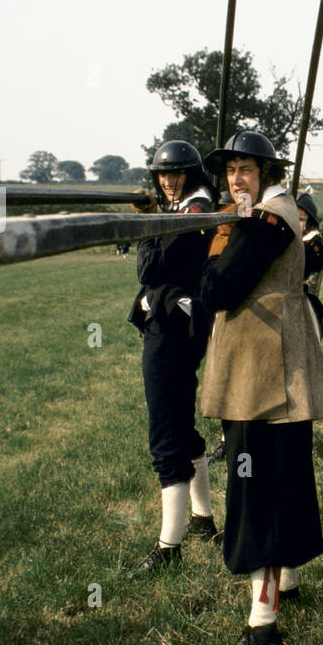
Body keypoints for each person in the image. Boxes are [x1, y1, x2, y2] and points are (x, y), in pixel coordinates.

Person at [199, 131, 323, 645]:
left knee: (258, 495)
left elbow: (219, 289)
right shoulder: (262, 214)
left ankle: (262, 629)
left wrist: (216, 241)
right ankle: (286, 587)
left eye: (246, 168)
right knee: (281, 482)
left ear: (268, 173)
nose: (236, 177)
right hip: (268, 370)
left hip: (266, 376)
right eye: (230, 168)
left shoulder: (269, 219)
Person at [127, 141, 219, 574]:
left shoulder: (193, 212)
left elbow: (147, 269)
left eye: (176, 174)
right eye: (162, 175)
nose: (167, 181)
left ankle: (170, 547)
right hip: (181, 322)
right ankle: (203, 518)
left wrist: (146, 225)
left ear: (193, 174)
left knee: (165, 435)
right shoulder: (187, 208)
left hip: (170, 328)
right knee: (181, 423)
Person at [296, 193, 323, 339]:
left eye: (301, 220)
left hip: (305, 296)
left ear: (310, 223)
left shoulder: (314, 245)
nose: (297, 223)